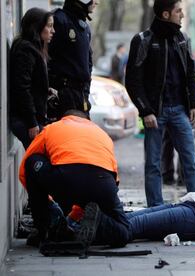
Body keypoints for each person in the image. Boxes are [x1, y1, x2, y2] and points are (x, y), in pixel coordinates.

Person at [125, 0, 195, 207]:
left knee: (191, 162)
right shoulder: (143, 40)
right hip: (154, 114)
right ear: (166, 14)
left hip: (180, 111)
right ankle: (156, 211)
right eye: (179, 11)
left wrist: (194, 104)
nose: (182, 15)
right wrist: (146, 111)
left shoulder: (183, 39)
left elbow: (190, 74)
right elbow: (133, 81)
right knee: (153, 164)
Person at [19, 110, 130, 248]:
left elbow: (25, 168)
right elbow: (114, 177)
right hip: (103, 183)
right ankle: (101, 221)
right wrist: (76, 216)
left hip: (66, 180)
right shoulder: (102, 134)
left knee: (32, 160)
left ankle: (44, 231)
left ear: (63, 118)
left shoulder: (52, 128)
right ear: (87, 120)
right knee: (124, 231)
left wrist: (48, 204)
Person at [9, 8, 55, 149]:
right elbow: (22, 87)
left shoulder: (33, 48)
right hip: (25, 121)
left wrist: (45, 90)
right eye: (49, 26)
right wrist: (32, 122)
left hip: (30, 119)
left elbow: (31, 83)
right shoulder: (26, 49)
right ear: (37, 26)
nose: (53, 31)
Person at [48, 0, 98, 120]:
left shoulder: (84, 26)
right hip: (63, 94)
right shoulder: (59, 20)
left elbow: (87, 63)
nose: (96, 2)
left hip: (80, 95)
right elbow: (46, 57)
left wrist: (86, 91)